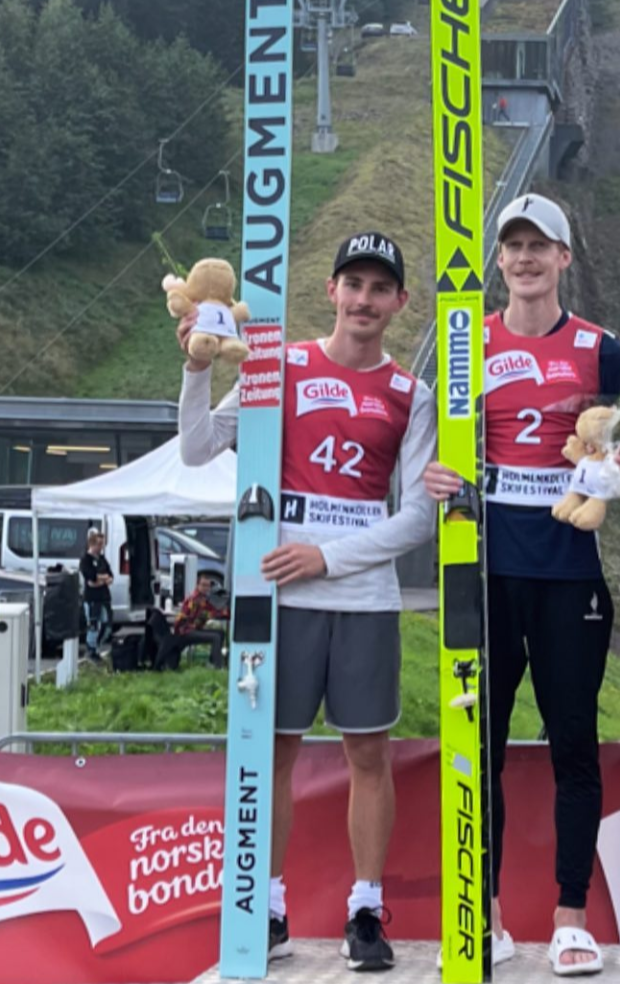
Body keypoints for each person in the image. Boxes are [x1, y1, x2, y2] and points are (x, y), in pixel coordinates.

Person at [177, 231, 436, 972]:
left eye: (379, 288)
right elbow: (198, 446)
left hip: (363, 596)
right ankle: (267, 908)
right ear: (331, 291)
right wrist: (196, 366)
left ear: (399, 302)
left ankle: (365, 910)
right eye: (353, 284)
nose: (363, 300)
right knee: (274, 750)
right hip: (280, 595)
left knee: (368, 753)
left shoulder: (410, 394)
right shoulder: (280, 364)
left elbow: (418, 517)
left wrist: (327, 556)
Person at [424, 194, 620, 975]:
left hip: (570, 570)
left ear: (564, 258)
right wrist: (435, 475)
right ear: (499, 260)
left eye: (540, 245)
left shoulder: (601, 350)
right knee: (481, 744)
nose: (526, 258)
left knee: (573, 743)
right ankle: (486, 915)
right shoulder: (468, 339)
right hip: (488, 572)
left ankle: (572, 919)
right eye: (513, 246)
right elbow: (441, 443)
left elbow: (617, 448)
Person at [171, 574, 229, 666]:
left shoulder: (204, 599)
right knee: (216, 637)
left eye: (208, 586)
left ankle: (212, 661)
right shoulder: (194, 599)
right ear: (197, 585)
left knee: (220, 633)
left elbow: (214, 612)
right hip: (186, 632)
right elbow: (210, 613)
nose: (206, 588)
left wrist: (228, 613)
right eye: (203, 585)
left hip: (195, 630)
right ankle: (216, 665)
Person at [78, 529, 113, 660]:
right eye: (98, 544)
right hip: (92, 598)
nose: (100, 547)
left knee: (107, 625)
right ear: (91, 544)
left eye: (102, 544)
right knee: (93, 625)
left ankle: (98, 646)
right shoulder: (85, 560)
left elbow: (110, 576)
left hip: (104, 597)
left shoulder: (102, 559)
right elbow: (91, 580)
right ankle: (91, 650)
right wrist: (102, 578)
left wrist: (102, 579)